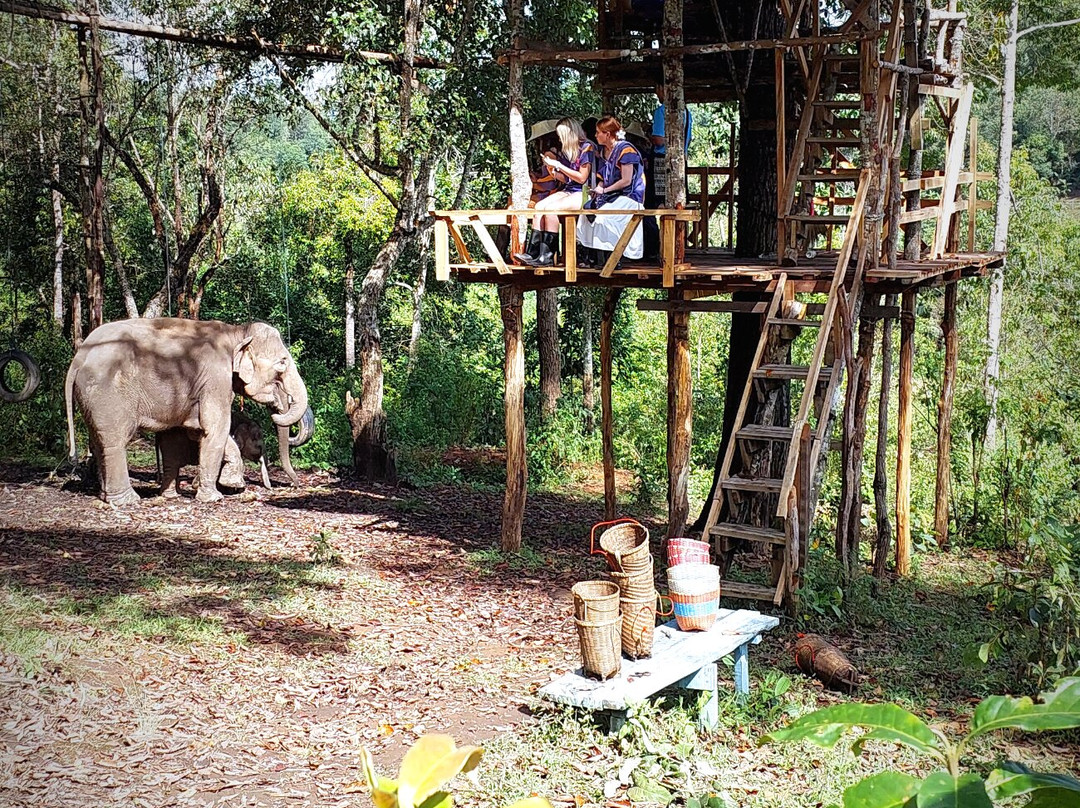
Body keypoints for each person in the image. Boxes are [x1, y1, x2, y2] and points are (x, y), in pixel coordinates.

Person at [513, 118, 594, 267]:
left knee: (552, 210)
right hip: (570, 189)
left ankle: (547, 255)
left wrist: (559, 166)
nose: (559, 139)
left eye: (561, 135)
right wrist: (553, 171)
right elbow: (566, 179)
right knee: (539, 207)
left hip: (586, 191)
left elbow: (582, 178)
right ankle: (533, 252)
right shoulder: (567, 150)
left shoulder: (587, 148)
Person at [577, 115, 646, 268]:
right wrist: (600, 187)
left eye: (598, 132)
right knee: (587, 212)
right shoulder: (604, 152)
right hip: (612, 195)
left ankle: (614, 259)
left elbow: (626, 180)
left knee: (604, 217)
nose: (595, 136)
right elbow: (604, 176)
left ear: (607, 134)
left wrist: (605, 190)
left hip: (629, 196)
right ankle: (596, 258)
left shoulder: (626, 149)